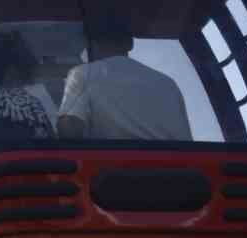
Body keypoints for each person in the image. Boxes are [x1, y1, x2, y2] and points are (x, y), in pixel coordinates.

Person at [57, 10, 192, 141]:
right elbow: (186, 145)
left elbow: (69, 132)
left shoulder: (83, 74)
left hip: (108, 163)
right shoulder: (167, 84)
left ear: (89, 44)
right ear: (130, 43)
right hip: (170, 163)